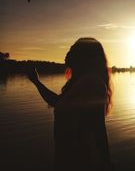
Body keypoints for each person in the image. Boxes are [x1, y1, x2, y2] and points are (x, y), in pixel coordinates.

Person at [27, 38, 113, 171]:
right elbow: (57, 102)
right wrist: (36, 82)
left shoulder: (93, 83)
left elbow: (99, 131)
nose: (68, 52)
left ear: (84, 57)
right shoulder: (77, 83)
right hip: (64, 160)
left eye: (73, 49)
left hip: (81, 163)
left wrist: (106, 165)